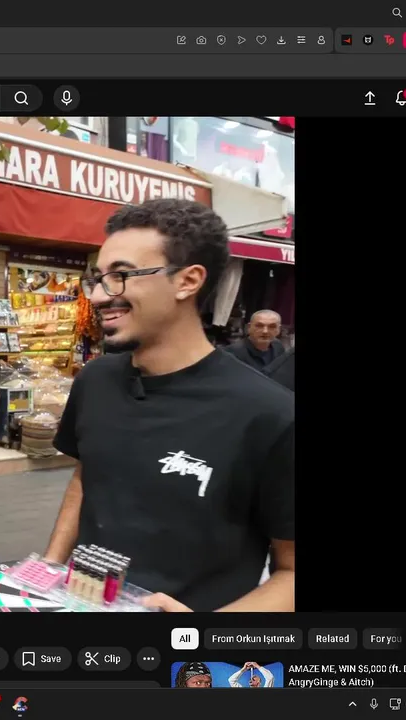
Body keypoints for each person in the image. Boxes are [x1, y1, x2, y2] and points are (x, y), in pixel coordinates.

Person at [41, 199, 295, 612]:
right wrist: (49, 569)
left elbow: (291, 571)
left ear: (187, 281)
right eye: (98, 278)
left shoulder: (271, 415)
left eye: (121, 276)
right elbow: (86, 478)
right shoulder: (95, 381)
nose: (100, 295)